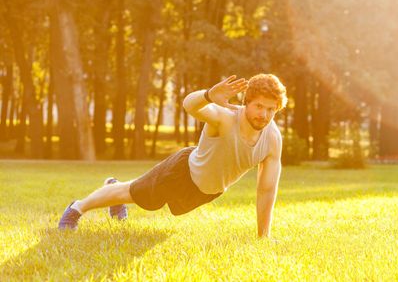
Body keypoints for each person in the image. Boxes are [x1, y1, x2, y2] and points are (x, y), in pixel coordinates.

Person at [58, 73, 287, 238]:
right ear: (246, 102)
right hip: (182, 172)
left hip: (207, 191)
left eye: (270, 109)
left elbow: (266, 190)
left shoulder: (273, 140)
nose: (264, 114)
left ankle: (114, 196)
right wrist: (208, 95)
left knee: (138, 194)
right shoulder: (226, 118)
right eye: (259, 106)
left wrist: (262, 236)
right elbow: (190, 105)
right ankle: (76, 209)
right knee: (133, 193)